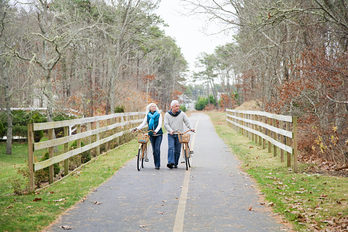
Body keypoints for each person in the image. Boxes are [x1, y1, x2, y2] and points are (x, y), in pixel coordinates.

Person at [164, 100, 195, 169]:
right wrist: (170, 130)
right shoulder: (167, 114)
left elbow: (187, 121)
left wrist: (191, 127)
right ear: (172, 107)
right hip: (171, 134)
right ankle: (170, 162)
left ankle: (175, 163)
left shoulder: (182, 114)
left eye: (178, 106)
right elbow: (166, 124)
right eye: (176, 106)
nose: (177, 107)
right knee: (171, 147)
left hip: (179, 134)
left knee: (177, 150)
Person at [134, 103, 163, 170]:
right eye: (152, 106)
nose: (154, 107)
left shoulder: (159, 115)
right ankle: (156, 163)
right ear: (150, 108)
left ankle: (157, 165)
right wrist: (137, 128)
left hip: (158, 134)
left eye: (155, 106)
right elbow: (143, 123)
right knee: (154, 150)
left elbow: (160, 124)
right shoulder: (148, 115)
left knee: (157, 149)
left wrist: (156, 131)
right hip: (151, 135)